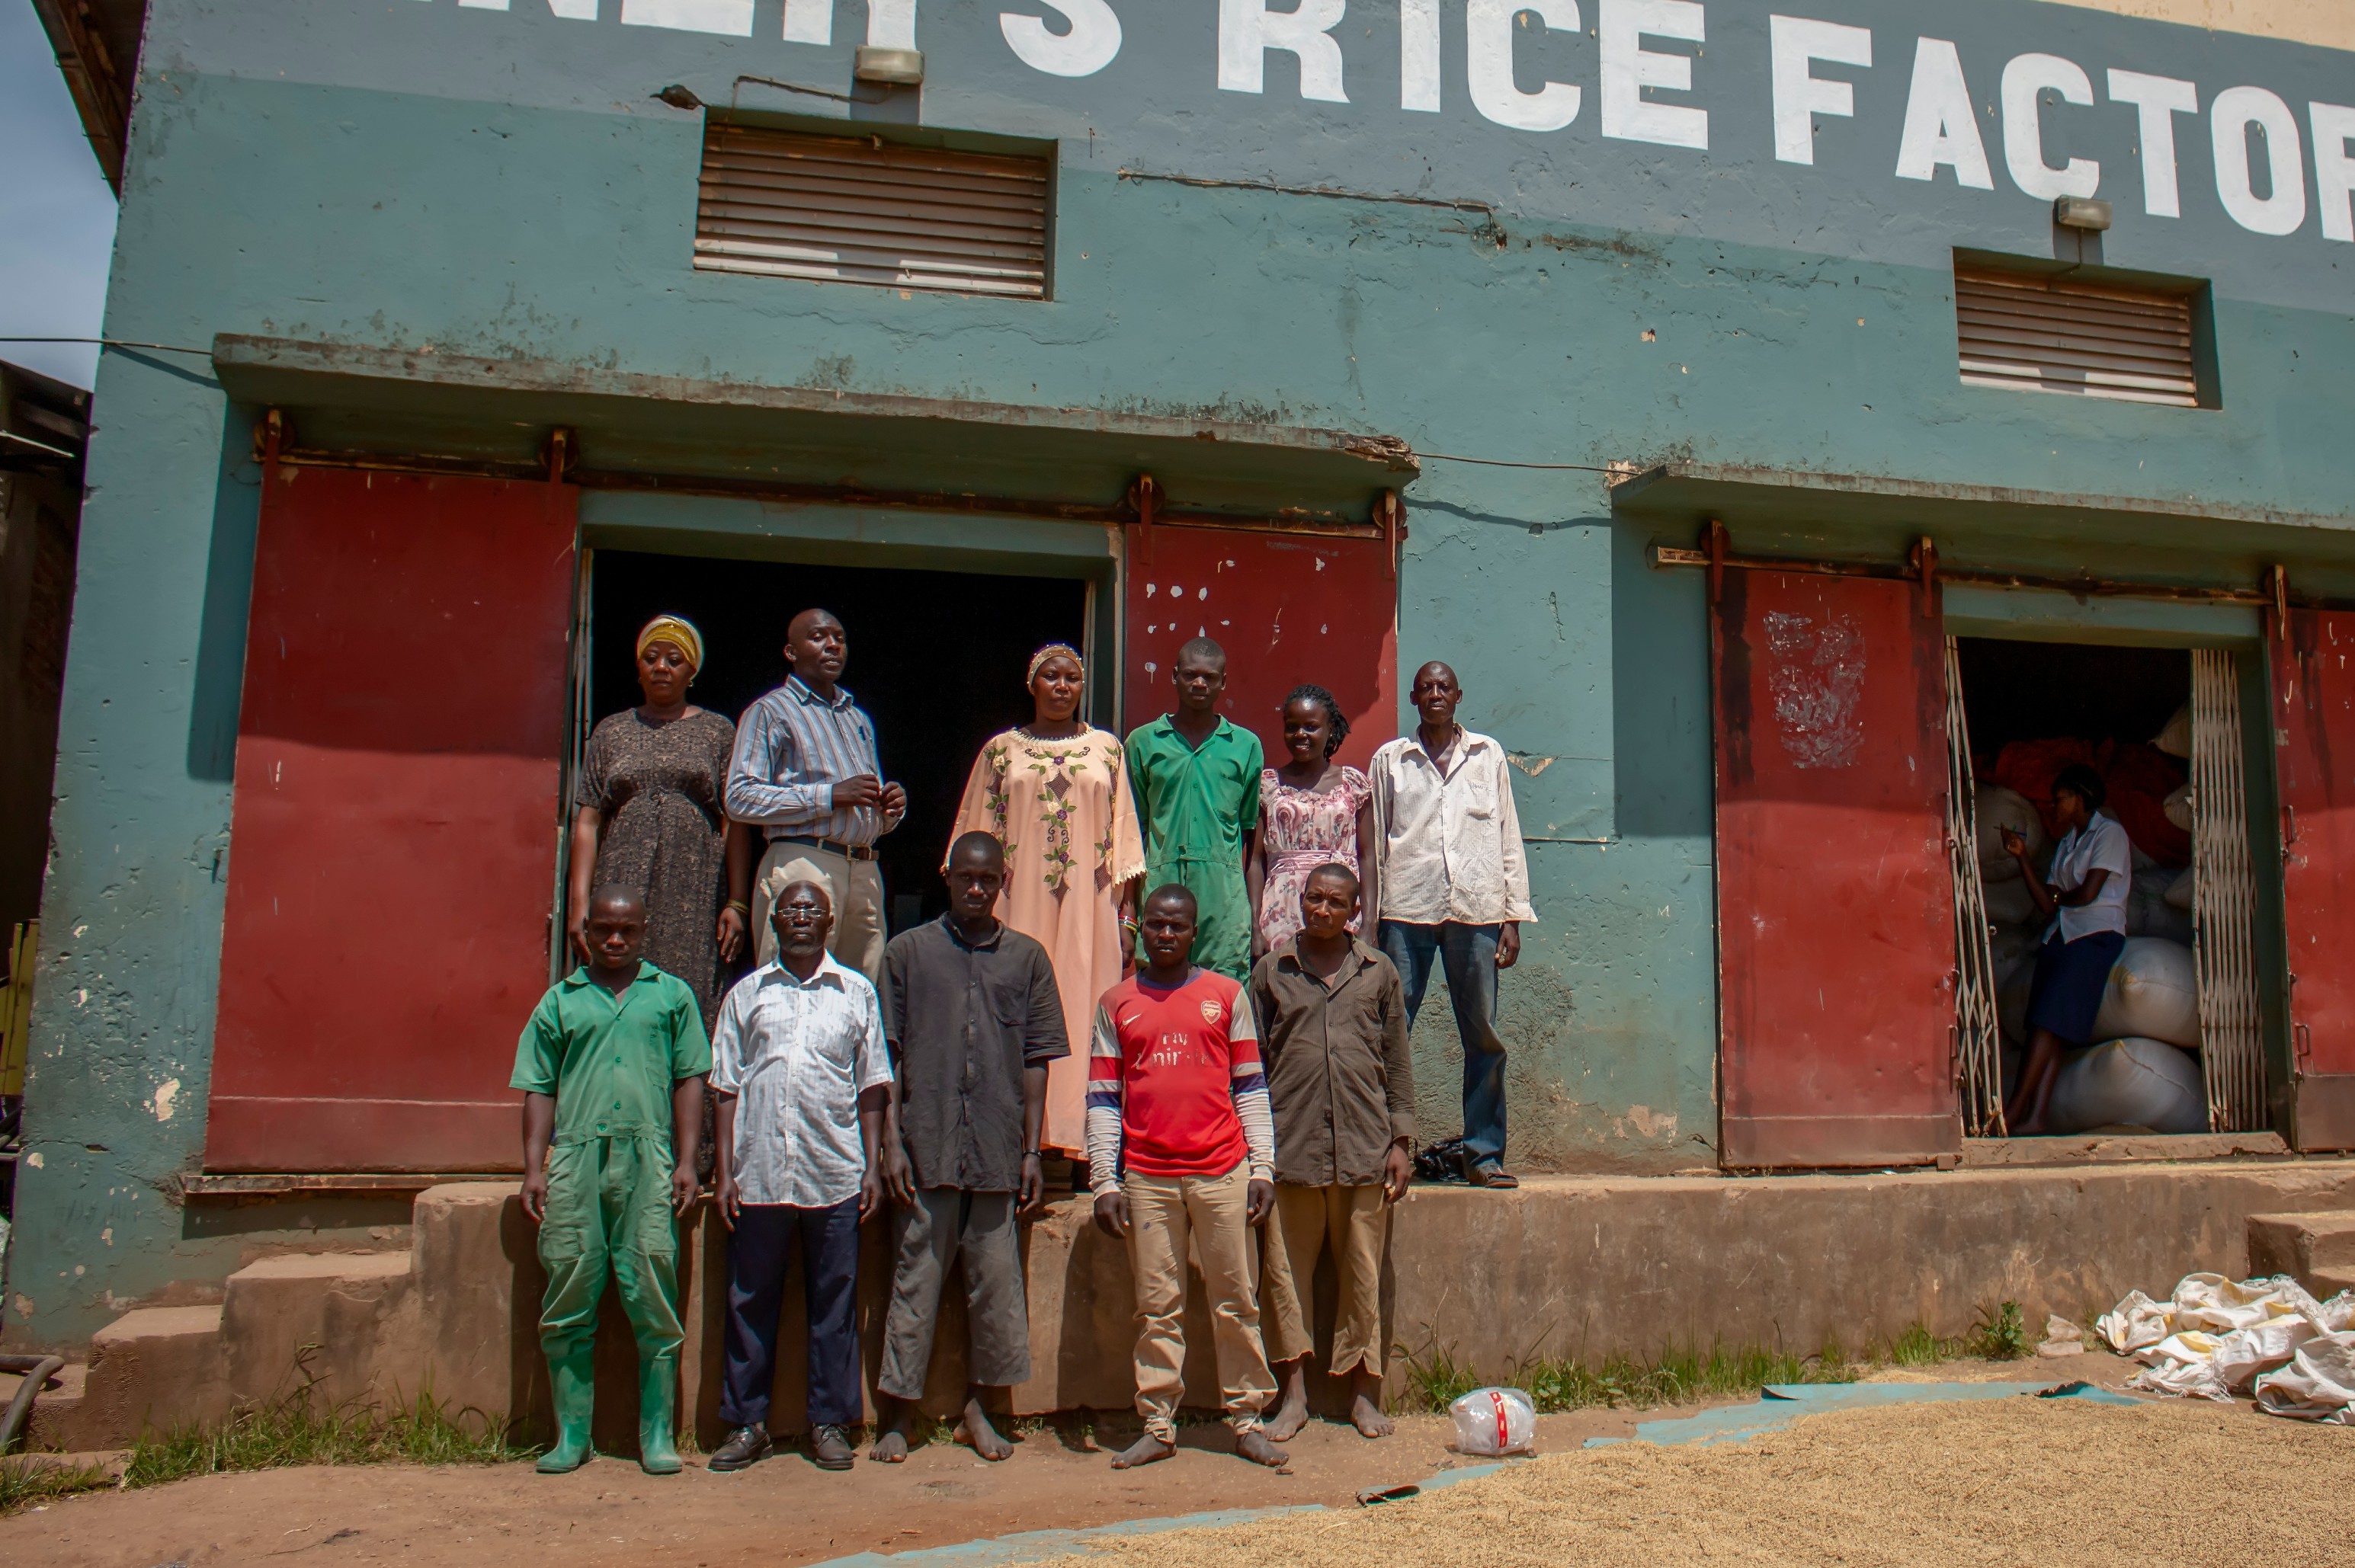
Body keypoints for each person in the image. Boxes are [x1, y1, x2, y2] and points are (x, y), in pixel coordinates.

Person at [870, 831, 1068, 1464]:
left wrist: (1032, 1150)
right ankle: (899, 1414)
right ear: (948, 877)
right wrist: (890, 1145)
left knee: (996, 1284)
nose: (977, 889)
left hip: (995, 1149)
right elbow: (887, 1057)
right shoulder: (908, 955)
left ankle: (980, 1410)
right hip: (923, 1147)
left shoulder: (1028, 960)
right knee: (915, 1279)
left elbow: (1038, 1060)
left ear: (1002, 880)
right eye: (966, 879)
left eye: (988, 879)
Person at [512, 885, 709, 1477]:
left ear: (644, 931)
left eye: (627, 930)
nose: (615, 940)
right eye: (604, 930)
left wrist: (686, 1160)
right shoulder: (560, 1001)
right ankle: (572, 1437)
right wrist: (533, 1166)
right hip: (575, 1159)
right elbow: (539, 1087)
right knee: (570, 1287)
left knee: (651, 1283)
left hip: (648, 1158)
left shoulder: (671, 996)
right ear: (586, 933)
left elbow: (690, 1078)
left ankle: (657, 1437)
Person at [1088, 884, 1285, 1470]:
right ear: (1140, 928)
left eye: (1177, 926)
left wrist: (1262, 1168)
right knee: (1157, 1306)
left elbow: (1250, 1086)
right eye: (1155, 925)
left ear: (1194, 932)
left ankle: (1246, 1421)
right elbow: (1102, 1096)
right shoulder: (1116, 1002)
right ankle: (1158, 1424)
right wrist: (1105, 1181)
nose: (1165, 934)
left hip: (1223, 1170)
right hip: (1147, 1177)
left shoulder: (1226, 995)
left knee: (1236, 1300)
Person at [706, 880, 893, 1474]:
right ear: (775, 921)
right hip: (758, 1174)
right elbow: (725, 1085)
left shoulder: (856, 993)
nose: (802, 918)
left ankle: (830, 1423)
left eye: (813, 909)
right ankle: (746, 1424)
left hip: (834, 1172)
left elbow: (872, 1086)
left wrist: (872, 1166)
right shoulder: (747, 995)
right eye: (791, 909)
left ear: (831, 922)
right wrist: (725, 1170)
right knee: (749, 1300)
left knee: (834, 1305)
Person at [950, 644, 1144, 1160]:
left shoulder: (1108, 749)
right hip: (1017, 902)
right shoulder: (1000, 751)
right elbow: (975, 833)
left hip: (1091, 901)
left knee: (1088, 1009)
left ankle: (1083, 1142)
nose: (1062, 686)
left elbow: (1123, 835)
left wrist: (1127, 915)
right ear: (1032, 684)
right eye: (1050, 676)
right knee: (1014, 1008)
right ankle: (1014, 1140)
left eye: (1072, 677)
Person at [1249, 863, 1414, 1442]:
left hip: (1365, 1146)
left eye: (1334, 902)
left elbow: (1396, 1059)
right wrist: (1255, 1153)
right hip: (1290, 1148)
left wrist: (1401, 1139)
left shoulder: (1378, 973)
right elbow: (1253, 1069)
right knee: (1284, 1275)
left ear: (1355, 910)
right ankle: (1291, 1396)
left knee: (1362, 1274)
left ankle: (1363, 1395)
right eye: (1312, 898)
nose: (1321, 909)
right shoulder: (1272, 972)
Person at [1367, 661, 1534, 1189]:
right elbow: (1374, 843)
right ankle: (1380, 1152)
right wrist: (1370, 921)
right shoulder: (1391, 760)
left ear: (1458, 696)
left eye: (1445, 687)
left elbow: (1509, 835)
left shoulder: (1488, 756)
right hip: (1405, 910)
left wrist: (1512, 916)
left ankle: (1483, 1156)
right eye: (1426, 688)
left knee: (1484, 1035)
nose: (1435, 694)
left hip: (1477, 910)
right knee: (1388, 1033)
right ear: (1413, 698)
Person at [566, 614, 758, 1029]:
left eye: (675, 659)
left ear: (693, 672)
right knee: (614, 990)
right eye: (651, 657)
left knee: (688, 991)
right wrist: (579, 903)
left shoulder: (718, 731)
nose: (661, 667)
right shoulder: (611, 731)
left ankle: (688, 1092)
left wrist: (737, 902)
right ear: (638, 667)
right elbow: (588, 820)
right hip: (621, 878)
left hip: (695, 890)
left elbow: (735, 821)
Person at [725, 609, 908, 987]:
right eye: (818, 637)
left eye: (839, 638)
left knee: (859, 990)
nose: (833, 646)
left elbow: (860, 803)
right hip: (804, 859)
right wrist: (828, 796)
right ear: (791, 652)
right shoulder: (769, 711)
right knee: (793, 988)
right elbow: (739, 797)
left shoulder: (857, 718)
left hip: (864, 867)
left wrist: (888, 811)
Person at [2001, 763, 2132, 1134]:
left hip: (2095, 936)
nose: (2054, 806)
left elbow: (2087, 894)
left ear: (2080, 798)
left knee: (2047, 1021)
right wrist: (2021, 856)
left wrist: (2060, 897)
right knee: (2047, 1027)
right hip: (2062, 936)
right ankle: (2037, 1117)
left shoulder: (2111, 834)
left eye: (2060, 799)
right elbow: (2047, 903)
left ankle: (2013, 1111)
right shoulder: (2067, 843)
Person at [1126, 638, 1262, 982]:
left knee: (1224, 990)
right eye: (1190, 675)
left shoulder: (1245, 746)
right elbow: (1133, 827)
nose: (1199, 684)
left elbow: (1247, 830)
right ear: (1174, 676)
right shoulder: (1143, 742)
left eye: (1209, 677)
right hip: (1160, 883)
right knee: (1158, 990)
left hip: (1223, 893)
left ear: (1223, 682)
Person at [1249, 684, 1376, 962]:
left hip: (1341, 907)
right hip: (1280, 910)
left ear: (1330, 729)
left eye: (1311, 727)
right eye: (1292, 727)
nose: (1300, 735)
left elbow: (1367, 856)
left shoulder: (1353, 784)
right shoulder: (1268, 785)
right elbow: (1256, 860)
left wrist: (1370, 922)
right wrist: (1254, 926)